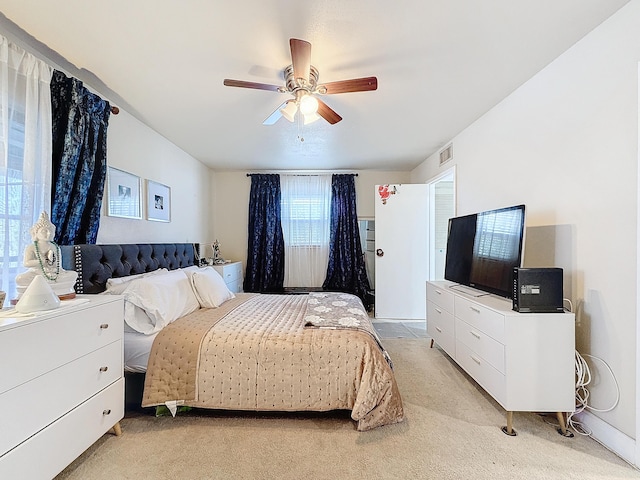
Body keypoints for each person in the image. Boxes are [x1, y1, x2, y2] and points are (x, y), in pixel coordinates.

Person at [15, 212, 77, 297]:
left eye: (50, 231)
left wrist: (53, 264)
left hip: (53, 273)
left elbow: (59, 266)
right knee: (20, 279)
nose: (48, 234)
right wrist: (42, 261)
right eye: (44, 231)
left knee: (73, 274)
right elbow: (26, 263)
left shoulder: (55, 247)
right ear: (35, 233)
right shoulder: (31, 247)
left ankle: (56, 288)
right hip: (37, 273)